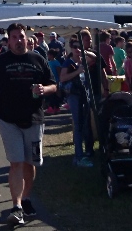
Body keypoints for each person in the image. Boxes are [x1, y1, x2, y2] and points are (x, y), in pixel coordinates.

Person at [0, 22, 57, 226]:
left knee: (30, 163)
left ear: (27, 38)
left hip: (34, 118)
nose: (19, 40)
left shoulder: (38, 59)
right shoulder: (0, 62)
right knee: (16, 162)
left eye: (21, 36)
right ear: (8, 41)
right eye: (14, 37)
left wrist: (45, 90)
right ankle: (16, 206)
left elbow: (54, 85)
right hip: (8, 119)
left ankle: (25, 199)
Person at [59, 40, 95, 168]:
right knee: (78, 125)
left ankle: (83, 153)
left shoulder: (82, 60)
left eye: (79, 47)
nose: (77, 49)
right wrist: (77, 71)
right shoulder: (68, 62)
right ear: (70, 48)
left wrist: (84, 51)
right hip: (74, 95)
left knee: (84, 123)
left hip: (83, 94)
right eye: (74, 47)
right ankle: (78, 156)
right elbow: (62, 78)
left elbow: (95, 58)